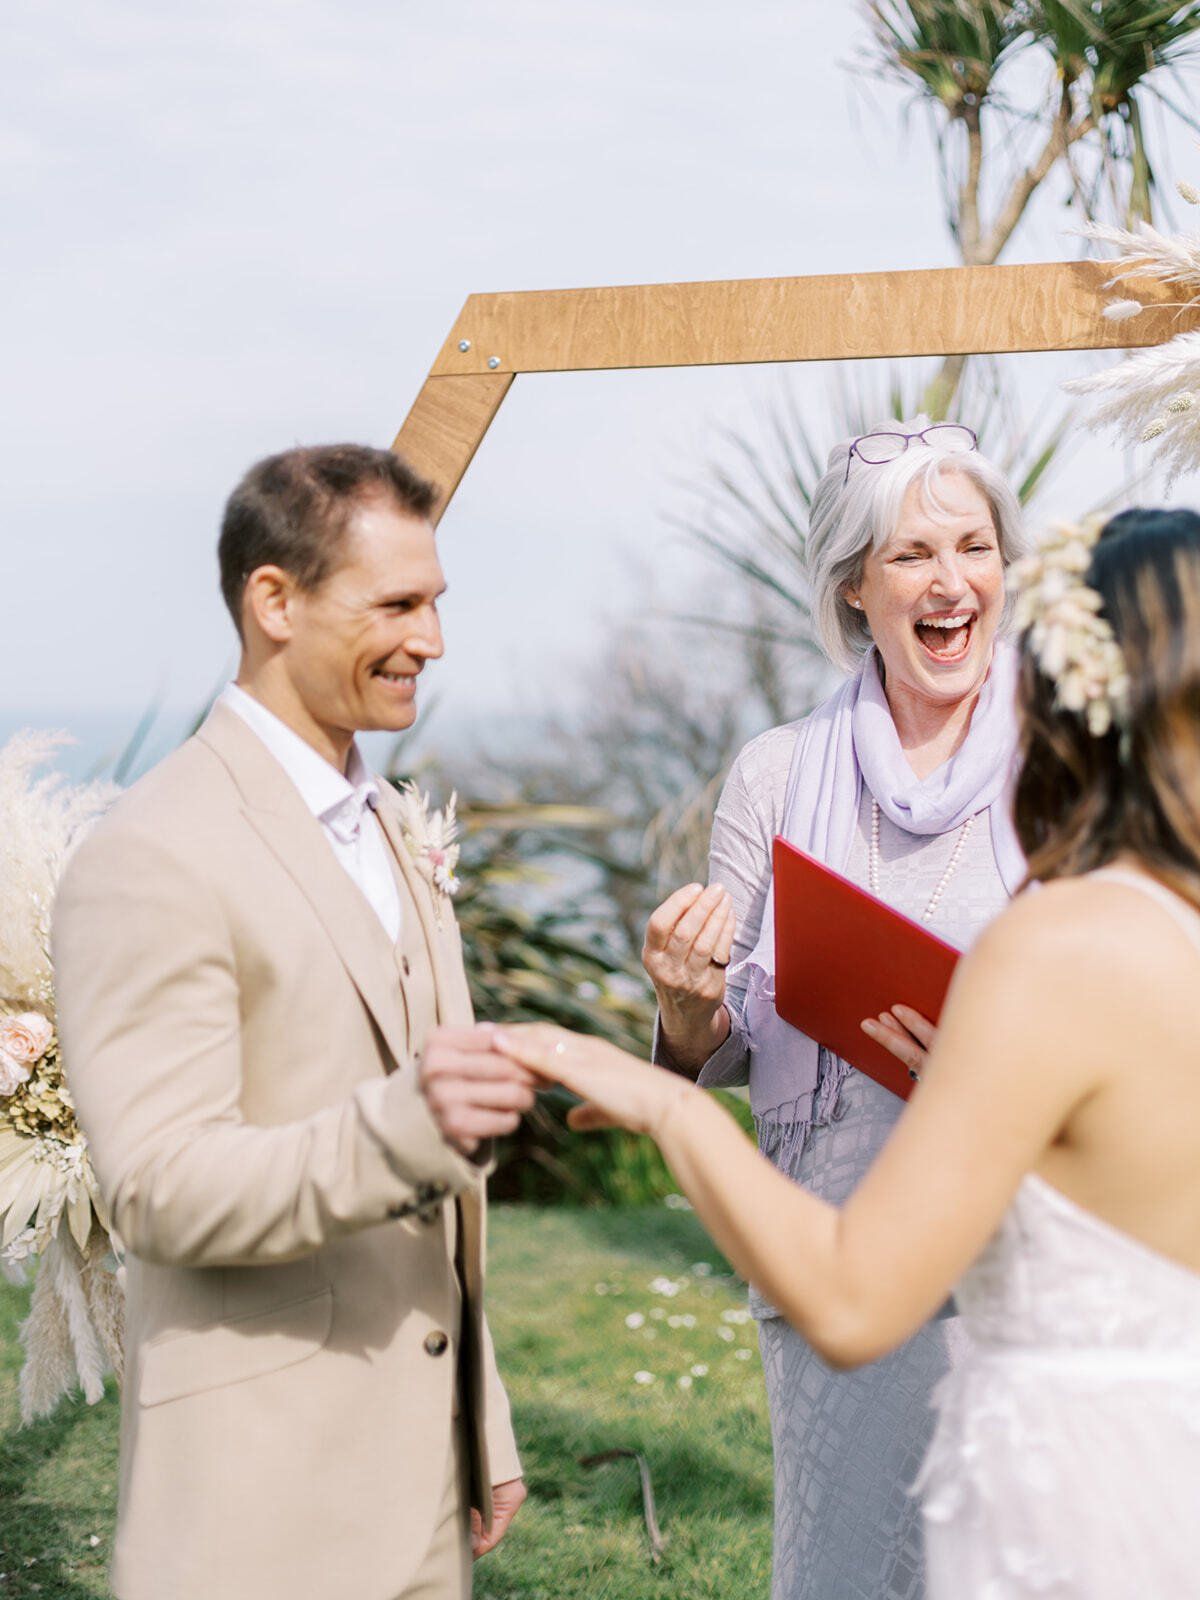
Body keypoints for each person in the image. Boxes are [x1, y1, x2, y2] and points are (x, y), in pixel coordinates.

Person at [494, 506, 1200, 1600]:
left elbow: (853, 1297)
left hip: (1078, 1516)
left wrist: (668, 1105)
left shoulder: (1055, 946)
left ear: (1072, 692)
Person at [52, 444, 531, 1600]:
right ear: (275, 600)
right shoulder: (152, 853)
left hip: (418, 1495)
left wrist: (484, 1419)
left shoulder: (394, 830)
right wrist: (403, 1126)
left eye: (437, 602)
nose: (432, 640)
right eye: (397, 605)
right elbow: (159, 1188)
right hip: (254, 1509)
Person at [641, 418, 1028, 1599]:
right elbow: (710, 1057)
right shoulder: (773, 772)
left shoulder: (1068, 763)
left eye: (975, 545)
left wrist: (991, 1061)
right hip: (833, 1260)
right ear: (855, 585)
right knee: (848, 1570)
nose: (951, 580)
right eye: (913, 554)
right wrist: (686, 1003)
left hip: (1021, 1261)